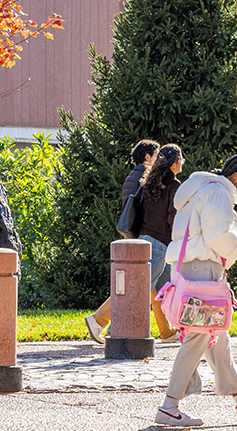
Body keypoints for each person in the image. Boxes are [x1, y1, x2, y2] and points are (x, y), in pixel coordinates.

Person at [155, 154, 237, 427]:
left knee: (218, 340)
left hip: (195, 269)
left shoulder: (206, 189)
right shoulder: (218, 192)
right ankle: (169, 406)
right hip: (202, 272)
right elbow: (218, 238)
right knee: (199, 339)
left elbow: (211, 231)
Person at [85, 139, 160, 343]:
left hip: (138, 234)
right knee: (140, 286)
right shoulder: (144, 176)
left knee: (158, 283)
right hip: (146, 235)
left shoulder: (132, 176)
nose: (157, 159)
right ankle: (99, 319)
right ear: (147, 157)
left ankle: (168, 331)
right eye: (156, 155)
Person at [135, 143, 184, 341]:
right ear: (174, 164)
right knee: (141, 290)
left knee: (166, 288)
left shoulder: (150, 182)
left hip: (145, 238)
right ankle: (116, 328)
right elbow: (173, 216)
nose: (183, 163)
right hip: (160, 243)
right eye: (181, 159)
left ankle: (171, 330)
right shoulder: (174, 185)